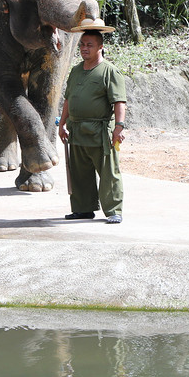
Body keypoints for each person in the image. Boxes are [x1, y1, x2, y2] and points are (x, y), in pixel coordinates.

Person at [57, 19, 127, 224]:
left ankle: (114, 210)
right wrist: (62, 124)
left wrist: (119, 128)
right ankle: (82, 208)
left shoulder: (109, 71)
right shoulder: (76, 70)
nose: (84, 49)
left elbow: (119, 102)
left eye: (90, 45)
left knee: (108, 172)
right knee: (79, 172)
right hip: (77, 129)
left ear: (100, 47)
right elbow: (69, 99)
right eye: (82, 44)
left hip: (100, 131)